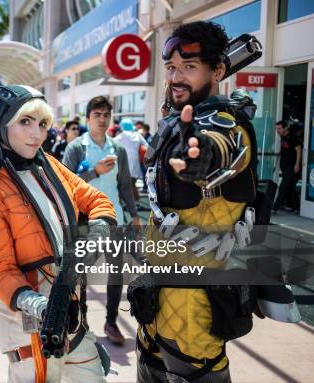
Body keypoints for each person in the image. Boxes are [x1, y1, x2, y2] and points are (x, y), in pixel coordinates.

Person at [0, 85, 116, 382]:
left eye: (42, 124)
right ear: (0, 126)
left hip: (72, 311)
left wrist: (98, 230)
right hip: (28, 324)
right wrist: (40, 306)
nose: (36, 134)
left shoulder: (49, 165)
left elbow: (96, 200)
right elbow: (0, 270)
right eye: (25, 122)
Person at [136, 21, 261, 382]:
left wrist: (199, 156)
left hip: (196, 309)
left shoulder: (226, 125)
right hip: (154, 305)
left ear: (218, 70)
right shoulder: (177, 121)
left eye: (189, 67)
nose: (176, 76)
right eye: (172, 67)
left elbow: (221, 146)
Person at [62, 95, 140, 345]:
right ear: (88, 118)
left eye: (106, 115)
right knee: (81, 272)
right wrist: (95, 171)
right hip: (85, 220)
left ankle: (111, 321)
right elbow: (65, 184)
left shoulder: (117, 148)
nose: (103, 119)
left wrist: (135, 214)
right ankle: (81, 321)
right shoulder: (76, 147)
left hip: (114, 217)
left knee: (117, 272)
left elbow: (125, 184)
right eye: (97, 114)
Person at [114, 118, 149, 208]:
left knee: (120, 183)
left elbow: (111, 143)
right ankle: (135, 203)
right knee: (132, 184)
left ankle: (120, 203)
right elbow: (147, 146)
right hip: (134, 162)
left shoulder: (122, 135)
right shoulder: (137, 135)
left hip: (123, 162)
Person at [272, 120, 302, 213]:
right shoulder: (283, 137)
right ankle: (295, 207)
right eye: (277, 129)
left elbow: (299, 150)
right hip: (286, 167)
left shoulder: (292, 137)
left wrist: (297, 164)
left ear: (285, 128)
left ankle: (274, 208)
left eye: (280, 128)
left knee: (283, 187)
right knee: (291, 187)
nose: (278, 131)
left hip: (291, 167)